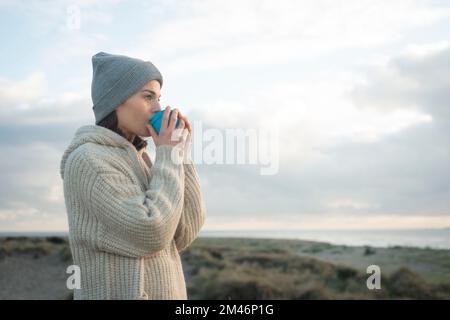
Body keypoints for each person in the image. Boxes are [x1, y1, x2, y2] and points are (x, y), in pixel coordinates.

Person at [59, 51, 206, 299]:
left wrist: (180, 154)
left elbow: (183, 232)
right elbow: (151, 232)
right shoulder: (88, 160)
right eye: (148, 97)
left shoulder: (144, 160)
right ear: (116, 100)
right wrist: (168, 154)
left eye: (159, 98)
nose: (158, 108)